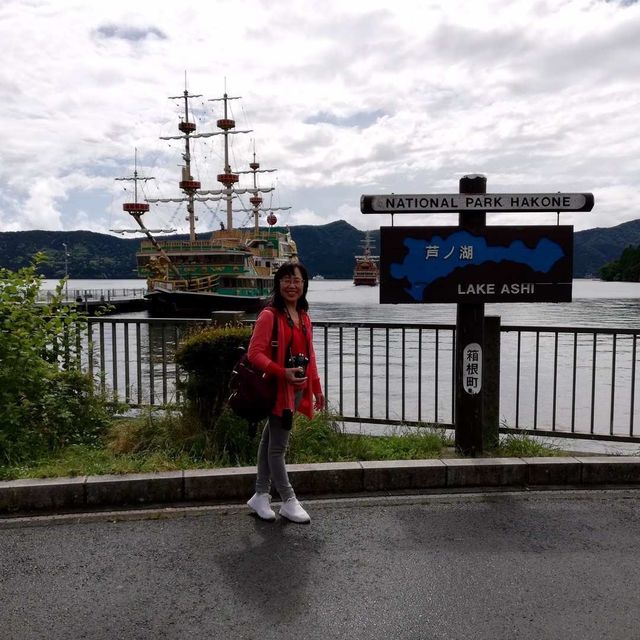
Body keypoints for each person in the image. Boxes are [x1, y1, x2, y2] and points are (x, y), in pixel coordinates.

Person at [246, 262, 324, 523]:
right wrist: (282, 372)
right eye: (287, 280)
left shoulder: (304, 317)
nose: (293, 285)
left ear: (304, 286)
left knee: (270, 441)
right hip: (278, 391)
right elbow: (254, 353)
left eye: (298, 281)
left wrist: (317, 388)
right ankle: (289, 500)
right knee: (278, 447)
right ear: (278, 284)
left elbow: (310, 356)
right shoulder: (269, 315)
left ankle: (260, 495)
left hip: (297, 390)